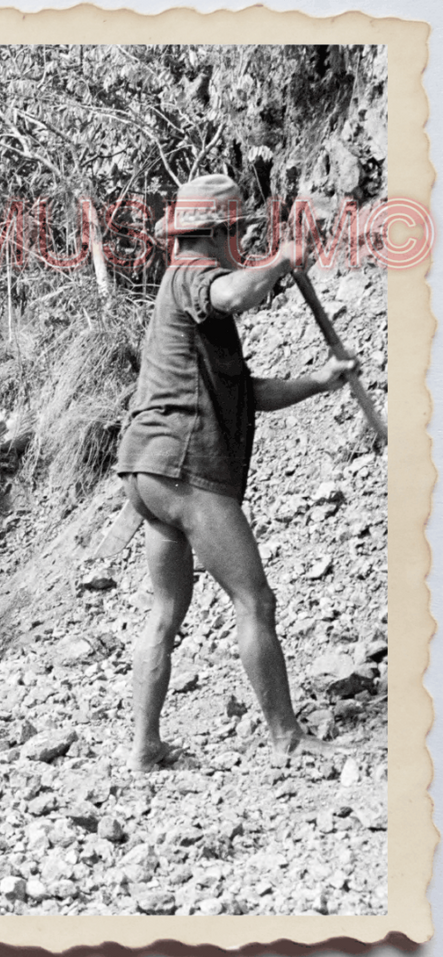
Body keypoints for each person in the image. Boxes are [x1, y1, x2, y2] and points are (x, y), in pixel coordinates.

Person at [114, 173, 358, 772]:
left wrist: (320, 382)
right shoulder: (195, 276)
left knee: (166, 613)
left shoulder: (192, 302)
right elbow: (234, 294)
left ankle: (144, 747)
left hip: (148, 472)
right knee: (257, 602)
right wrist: (281, 260)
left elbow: (247, 393)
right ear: (219, 232)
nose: (239, 243)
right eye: (237, 233)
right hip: (184, 467)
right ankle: (287, 737)